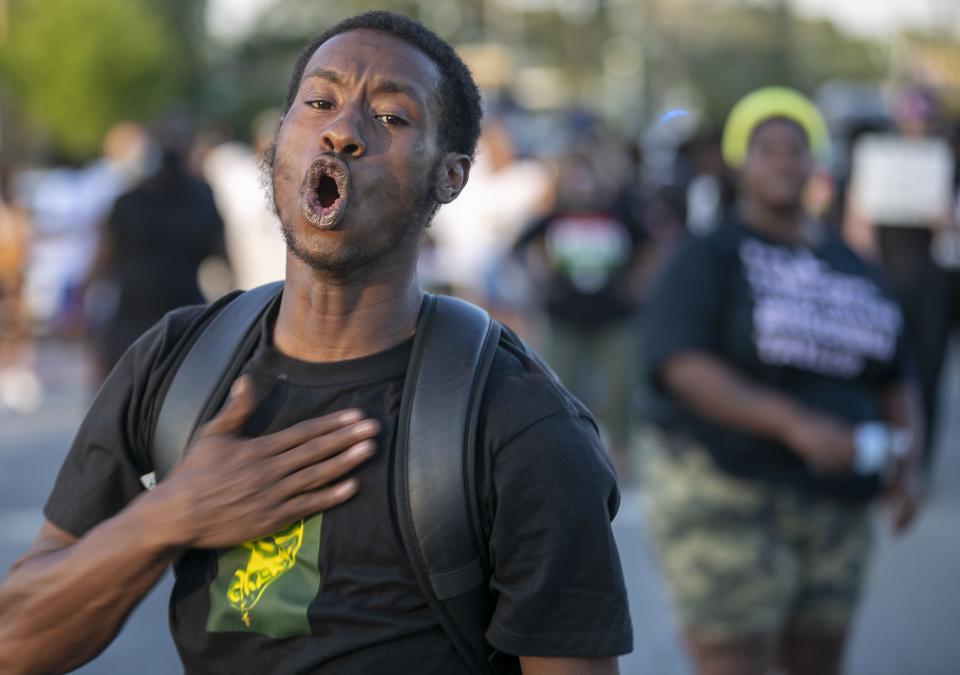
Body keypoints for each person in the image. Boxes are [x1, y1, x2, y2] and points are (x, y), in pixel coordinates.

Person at [0, 12, 631, 675]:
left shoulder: (520, 422)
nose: (342, 130)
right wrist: (172, 512)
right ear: (277, 142)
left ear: (451, 176)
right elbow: (15, 640)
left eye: (392, 116)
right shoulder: (174, 364)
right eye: (320, 101)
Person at [642, 87, 924, 675]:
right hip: (728, 488)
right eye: (765, 148)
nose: (782, 161)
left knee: (818, 660)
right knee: (736, 660)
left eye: (796, 149)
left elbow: (897, 371)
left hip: (837, 502)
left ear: (815, 164)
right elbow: (681, 364)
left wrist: (909, 457)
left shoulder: (854, 265)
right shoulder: (710, 254)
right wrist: (796, 424)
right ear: (741, 163)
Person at [84, 124, 229, 379]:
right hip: (177, 314)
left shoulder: (131, 201)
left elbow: (103, 257)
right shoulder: (198, 200)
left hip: (147, 316)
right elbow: (223, 256)